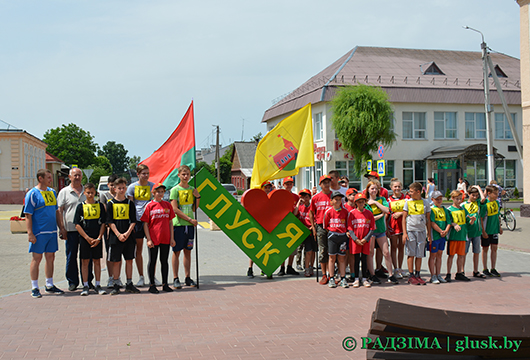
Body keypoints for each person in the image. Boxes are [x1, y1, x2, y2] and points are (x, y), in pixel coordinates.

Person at [25, 169, 66, 298]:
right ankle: (34, 287)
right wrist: (30, 233)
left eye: (50, 177)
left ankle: (49, 284)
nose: (50, 179)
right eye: (48, 177)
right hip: (39, 232)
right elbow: (28, 215)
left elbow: (56, 212)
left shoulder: (52, 192)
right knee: (37, 259)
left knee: (50, 258)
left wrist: (61, 228)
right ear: (40, 178)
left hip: (52, 231)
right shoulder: (32, 194)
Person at [57, 167, 91, 291]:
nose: (77, 177)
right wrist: (62, 228)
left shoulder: (86, 191)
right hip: (70, 230)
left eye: (79, 175)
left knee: (87, 256)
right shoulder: (64, 192)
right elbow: (60, 211)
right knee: (71, 256)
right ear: (70, 177)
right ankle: (72, 281)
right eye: (75, 175)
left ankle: (88, 281)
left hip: (86, 230)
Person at [141, 183, 176, 293]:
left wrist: (172, 238)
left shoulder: (167, 205)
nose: (160, 194)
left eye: (162, 191)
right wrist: (148, 239)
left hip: (165, 238)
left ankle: (165, 284)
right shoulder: (150, 206)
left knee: (164, 261)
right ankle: (152, 285)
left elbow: (170, 222)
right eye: (158, 192)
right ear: (153, 193)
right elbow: (145, 224)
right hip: (154, 238)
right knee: (153, 261)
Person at [107, 177, 140, 295]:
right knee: (116, 261)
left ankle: (129, 283)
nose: (121, 190)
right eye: (119, 188)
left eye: (123, 188)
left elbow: (133, 220)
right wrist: (118, 234)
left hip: (129, 236)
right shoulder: (110, 204)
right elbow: (109, 221)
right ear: (114, 189)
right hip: (115, 237)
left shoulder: (130, 203)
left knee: (129, 260)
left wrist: (127, 233)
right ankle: (116, 284)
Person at [73, 183, 107, 296]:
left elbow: (103, 223)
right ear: (84, 193)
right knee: (85, 261)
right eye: (88, 192)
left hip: (97, 237)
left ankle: (97, 284)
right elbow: (77, 224)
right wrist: (86, 237)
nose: (90, 195)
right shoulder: (80, 206)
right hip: (85, 238)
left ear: (95, 193)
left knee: (97, 261)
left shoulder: (100, 206)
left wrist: (99, 237)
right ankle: (86, 285)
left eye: (92, 192)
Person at [170, 165, 200, 289]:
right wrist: (189, 219)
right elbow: (174, 209)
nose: (185, 176)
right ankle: (176, 278)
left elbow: (194, 208)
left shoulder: (192, 189)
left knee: (188, 251)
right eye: (183, 174)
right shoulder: (175, 190)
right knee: (176, 251)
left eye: (187, 174)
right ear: (179, 175)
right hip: (179, 224)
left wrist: (198, 197)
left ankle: (188, 277)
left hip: (190, 225)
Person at [127, 164, 156, 287]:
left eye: (147, 173)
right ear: (138, 174)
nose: (146, 175)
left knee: (152, 249)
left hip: (151, 222)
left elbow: (156, 202)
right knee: (138, 250)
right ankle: (141, 276)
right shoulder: (132, 187)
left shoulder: (152, 186)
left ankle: (152, 277)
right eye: (143, 173)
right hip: (138, 221)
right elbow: (130, 206)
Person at [365, 180, 397, 285]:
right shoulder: (365, 202)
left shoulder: (382, 199)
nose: (374, 190)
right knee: (370, 253)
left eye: (376, 188)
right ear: (368, 190)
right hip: (371, 231)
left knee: (386, 252)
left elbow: (387, 210)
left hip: (381, 230)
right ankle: (372, 274)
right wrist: (380, 215)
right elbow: (368, 218)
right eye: (372, 188)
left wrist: (375, 202)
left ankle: (391, 275)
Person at [402, 182, 431, 285]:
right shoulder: (408, 202)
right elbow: (404, 218)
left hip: (421, 231)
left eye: (411, 191)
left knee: (419, 254)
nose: (409, 193)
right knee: (411, 253)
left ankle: (418, 274)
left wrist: (429, 234)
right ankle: (411, 275)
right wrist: (404, 233)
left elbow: (428, 219)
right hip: (411, 231)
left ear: (418, 192)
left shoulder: (425, 203)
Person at [446, 190, 476, 282]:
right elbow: (447, 222)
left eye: (460, 199)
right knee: (451, 255)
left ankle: (459, 273)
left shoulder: (463, 209)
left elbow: (468, 222)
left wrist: (472, 220)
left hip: (462, 236)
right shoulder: (449, 210)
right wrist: (454, 224)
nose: (459, 201)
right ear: (452, 199)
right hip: (453, 237)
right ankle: (448, 273)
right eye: (457, 199)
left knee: (461, 255)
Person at [347, 193, 374, 288]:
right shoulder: (352, 213)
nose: (361, 203)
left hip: (365, 241)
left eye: (362, 202)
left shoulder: (369, 213)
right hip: (356, 241)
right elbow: (350, 228)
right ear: (356, 203)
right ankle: (356, 278)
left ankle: (365, 278)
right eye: (359, 202)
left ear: (365, 202)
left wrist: (365, 239)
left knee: (364, 259)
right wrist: (356, 239)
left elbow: (372, 228)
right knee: (356, 259)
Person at [99, 174, 122, 288]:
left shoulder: (121, 196)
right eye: (111, 185)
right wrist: (107, 226)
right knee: (110, 253)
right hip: (108, 228)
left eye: (115, 185)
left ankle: (118, 277)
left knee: (119, 254)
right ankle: (110, 277)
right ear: (108, 185)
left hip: (120, 228)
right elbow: (104, 212)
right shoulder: (105, 196)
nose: (113, 187)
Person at [309, 175, 332, 285]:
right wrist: (313, 227)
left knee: (332, 251)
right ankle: (324, 273)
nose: (326, 184)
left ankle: (331, 273)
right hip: (320, 226)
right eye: (324, 183)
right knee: (323, 250)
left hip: (333, 226)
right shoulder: (315, 197)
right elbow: (311, 213)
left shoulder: (335, 196)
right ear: (320, 185)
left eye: (328, 182)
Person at [323, 191, 349, 288]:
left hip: (342, 236)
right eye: (336, 199)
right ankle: (331, 278)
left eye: (340, 199)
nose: (338, 201)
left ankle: (343, 278)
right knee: (332, 257)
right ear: (332, 201)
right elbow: (325, 225)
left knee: (342, 258)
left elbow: (347, 224)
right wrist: (332, 232)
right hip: (332, 236)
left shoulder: (345, 211)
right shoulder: (328, 212)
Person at [247, 181, 273, 279]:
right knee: (255, 248)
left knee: (266, 248)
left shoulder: (271, 198)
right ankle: (250, 269)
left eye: (268, 187)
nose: (267, 189)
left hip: (268, 227)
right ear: (261, 188)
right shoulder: (257, 198)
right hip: (257, 226)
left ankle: (264, 268)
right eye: (265, 187)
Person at [277, 177, 300, 276]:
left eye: (291, 184)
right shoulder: (279, 196)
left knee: (292, 247)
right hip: (281, 224)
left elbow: (297, 211)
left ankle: (290, 267)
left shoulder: (296, 197)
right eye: (287, 184)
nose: (289, 186)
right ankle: (282, 267)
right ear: (283, 185)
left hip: (292, 224)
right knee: (282, 247)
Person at [386, 178, 408, 279]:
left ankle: (400, 267)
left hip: (403, 226)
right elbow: (386, 214)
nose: (397, 188)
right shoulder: (389, 200)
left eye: (399, 186)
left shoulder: (406, 198)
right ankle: (395, 268)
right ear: (391, 188)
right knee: (394, 247)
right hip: (393, 226)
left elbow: (411, 211)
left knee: (401, 247)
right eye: (395, 186)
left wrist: (401, 213)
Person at [463, 185, 487, 279]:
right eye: (473, 195)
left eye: (476, 195)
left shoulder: (478, 203)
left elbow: (483, 198)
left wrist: (478, 187)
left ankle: (476, 271)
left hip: (477, 231)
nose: (475, 197)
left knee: (476, 252)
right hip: (467, 232)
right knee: (464, 253)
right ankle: (462, 271)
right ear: (468, 194)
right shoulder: (464, 205)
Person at [428, 191, 451, 284]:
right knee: (433, 255)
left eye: (440, 199)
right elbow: (432, 223)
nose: (439, 200)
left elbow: (449, 222)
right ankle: (433, 275)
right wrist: (440, 231)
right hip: (435, 236)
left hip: (443, 237)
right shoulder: (431, 209)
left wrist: (446, 231)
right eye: (437, 199)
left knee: (440, 255)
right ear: (432, 199)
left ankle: (438, 274)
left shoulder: (445, 209)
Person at [293, 189, 317, 277]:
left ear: (310, 197)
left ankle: (311, 266)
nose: (305, 199)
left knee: (313, 251)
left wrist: (312, 227)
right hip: (303, 231)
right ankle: (306, 268)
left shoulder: (313, 207)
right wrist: (299, 202)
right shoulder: (300, 206)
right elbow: (295, 213)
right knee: (308, 251)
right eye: (303, 197)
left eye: (306, 197)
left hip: (311, 231)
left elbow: (316, 218)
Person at [481, 185, 503, 277]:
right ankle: (485, 268)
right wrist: (483, 231)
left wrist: (500, 227)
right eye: (495, 193)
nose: (497, 195)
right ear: (489, 193)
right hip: (486, 230)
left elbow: (498, 215)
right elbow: (481, 218)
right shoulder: (485, 204)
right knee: (485, 248)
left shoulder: (497, 203)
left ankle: (493, 268)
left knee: (494, 248)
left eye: (498, 193)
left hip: (494, 230)